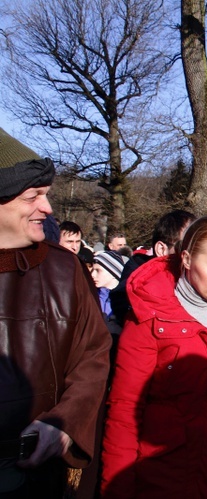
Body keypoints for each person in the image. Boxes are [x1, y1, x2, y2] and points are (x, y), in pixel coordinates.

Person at [99, 214, 207, 498]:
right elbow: (125, 411)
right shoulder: (147, 318)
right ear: (186, 259)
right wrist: (117, 487)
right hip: (167, 479)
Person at [0, 126, 111, 497]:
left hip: (40, 477)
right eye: (33, 197)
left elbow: (93, 356)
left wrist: (65, 423)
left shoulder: (64, 269)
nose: (47, 209)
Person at [110, 209, 196, 327]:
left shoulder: (201, 284)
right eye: (185, 247)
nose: (194, 255)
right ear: (161, 249)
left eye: (199, 246)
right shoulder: (133, 301)